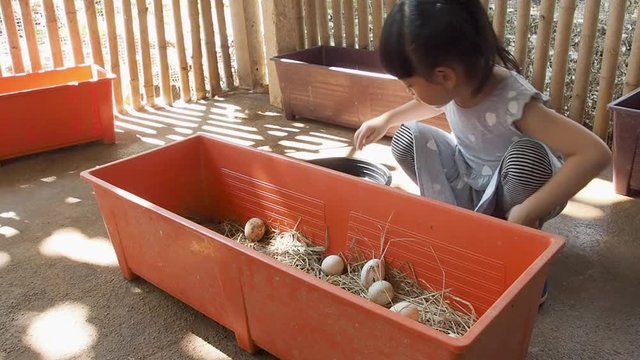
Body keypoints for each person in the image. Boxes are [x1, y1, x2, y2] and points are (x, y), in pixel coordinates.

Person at [353, 0, 611, 304]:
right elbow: (433, 100)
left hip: (514, 191)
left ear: (444, 76)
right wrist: (386, 119)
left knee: (526, 157)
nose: (410, 92)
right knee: (408, 135)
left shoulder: (513, 100)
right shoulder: (457, 85)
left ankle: (518, 252)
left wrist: (528, 211)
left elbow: (594, 153)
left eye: (410, 85)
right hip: (472, 177)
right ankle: (461, 224)